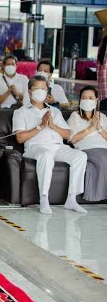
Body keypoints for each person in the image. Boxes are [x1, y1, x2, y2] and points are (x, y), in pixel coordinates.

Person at [13, 76, 87, 215]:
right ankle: (44, 198)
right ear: (30, 92)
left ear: (47, 91)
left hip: (58, 147)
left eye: (43, 88)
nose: (40, 91)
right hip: (36, 147)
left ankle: (71, 199)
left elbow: (67, 135)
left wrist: (52, 125)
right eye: (37, 88)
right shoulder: (21, 112)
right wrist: (41, 126)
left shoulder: (55, 111)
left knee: (80, 156)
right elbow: (20, 138)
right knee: (46, 155)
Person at [67, 85, 107, 202]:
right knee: (104, 159)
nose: (87, 100)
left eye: (90, 98)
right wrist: (91, 127)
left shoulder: (103, 117)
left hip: (104, 148)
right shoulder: (75, 116)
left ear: (96, 100)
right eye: (84, 98)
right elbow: (72, 140)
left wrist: (98, 128)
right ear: (80, 100)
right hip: (87, 149)